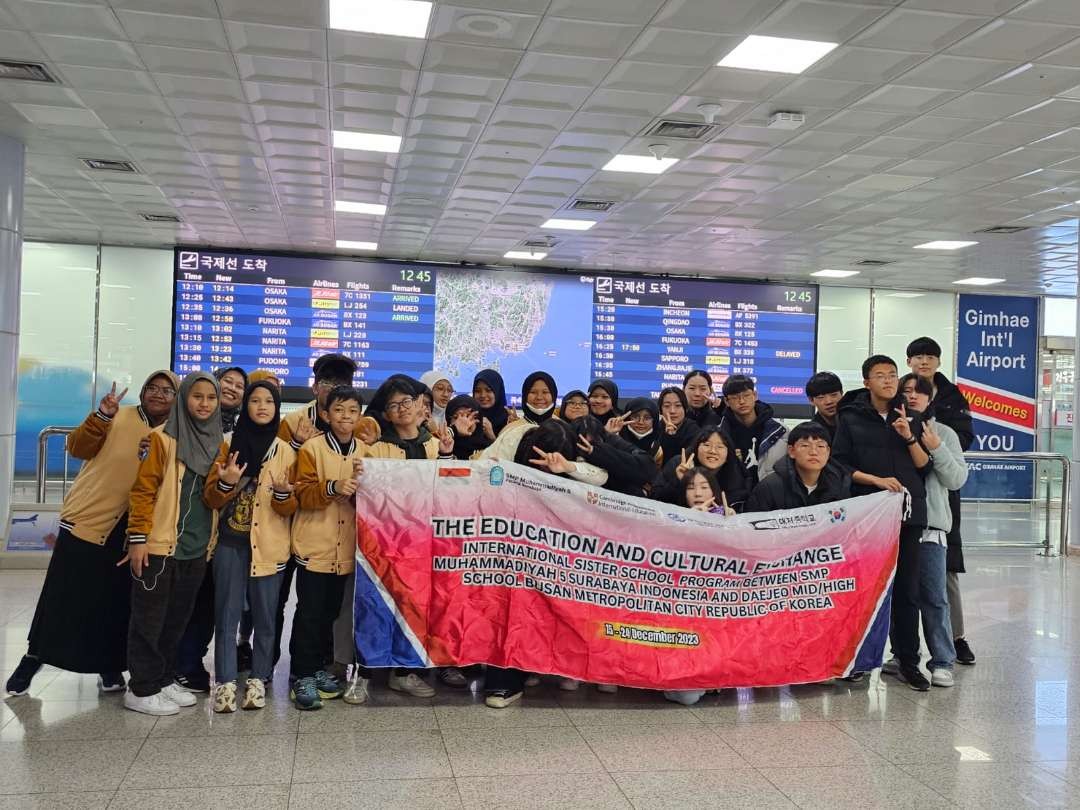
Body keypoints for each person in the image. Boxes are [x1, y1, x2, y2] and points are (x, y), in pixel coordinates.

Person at [5, 371, 178, 697]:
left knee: (113, 602)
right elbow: (77, 447)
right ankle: (33, 658)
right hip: (89, 521)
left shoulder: (173, 433)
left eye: (167, 391)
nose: (158, 394)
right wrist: (101, 415)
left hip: (132, 532)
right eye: (152, 388)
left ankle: (108, 664)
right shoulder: (118, 416)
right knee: (62, 599)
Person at [481, 420, 604, 708]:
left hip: (551, 546)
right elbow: (484, 475)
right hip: (508, 539)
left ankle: (535, 666)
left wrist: (567, 467)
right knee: (508, 605)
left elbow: (600, 476)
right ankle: (504, 682)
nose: (544, 469)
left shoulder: (573, 451)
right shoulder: (513, 438)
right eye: (540, 463)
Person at [122, 371, 223, 716]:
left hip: (196, 548)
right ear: (184, 400)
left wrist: (227, 484)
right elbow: (143, 492)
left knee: (176, 619)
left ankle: (164, 680)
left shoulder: (217, 444)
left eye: (211, 397)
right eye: (197, 396)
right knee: (149, 621)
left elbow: (212, 498)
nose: (204, 404)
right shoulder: (161, 441)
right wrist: (138, 540)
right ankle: (141, 688)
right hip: (159, 546)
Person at [832, 355, 933, 692]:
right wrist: (875, 480)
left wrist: (908, 436)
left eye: (892, 375)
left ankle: (908, 661)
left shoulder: (912, 416)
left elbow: (923, 465)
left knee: (907, 590)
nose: (888, 381)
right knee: (866, 588)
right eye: (880, 376)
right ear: (866, 382)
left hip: (908, 512)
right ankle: (858, 660)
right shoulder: (850, 419)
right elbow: (840, 464)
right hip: (870, 513)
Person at [354, 377, 454, 699]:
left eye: (406, 403)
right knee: (377, 603)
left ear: (420, 405)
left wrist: (449, 456)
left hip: (425, 542)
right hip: (385, 540)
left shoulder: (436, 444)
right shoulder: (377, 446)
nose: (401, 410)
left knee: (417, 605)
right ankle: (367, 671)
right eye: (393, 406)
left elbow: (450, 490)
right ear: (386, 413)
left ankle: (406, 670)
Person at [203, 381, 298, 712]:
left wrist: (286, 494)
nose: (262, 406)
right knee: (226, 616)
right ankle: (226, 681)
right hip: (230, 544)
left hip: (270, 546)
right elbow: (211, 497)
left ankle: (259, 678)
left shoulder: (285, 451)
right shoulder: (228, 445)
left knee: (266, 616)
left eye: (269, 401)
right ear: (245, 407)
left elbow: (289, 509)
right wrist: (227, 480)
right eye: (254, 400)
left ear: (276, 408)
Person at [288, 385, 367, 711]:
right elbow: (301, 493)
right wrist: (333, 486)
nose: (345, 417)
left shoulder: (366, 451)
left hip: (345, 549)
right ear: (325, 414)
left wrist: (361, 489)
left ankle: (319, 669)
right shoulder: (312, 448)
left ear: (360, 416)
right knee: (309, 614)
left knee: (330, 615)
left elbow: (372, 499)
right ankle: (301, 676)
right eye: (339, 410)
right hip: (314, 546)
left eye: (352, 411)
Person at [906, 336, 977, 666]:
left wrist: (936, 443)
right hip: (902, 507)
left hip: (940, 497)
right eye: (918, 356)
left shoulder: (951, 398)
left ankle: (954, 640)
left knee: (944, 572)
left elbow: (963, 440)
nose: (924, 362)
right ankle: (903, 652)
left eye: (930, 356)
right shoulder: (897, 403)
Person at [899, 373, 969, 687]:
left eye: (919, 392)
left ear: (930, 398)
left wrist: (936, 447)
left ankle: (942, 660)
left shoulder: (945, 433)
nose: (913, 397)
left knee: (934, 595)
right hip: (895, 524)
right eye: (907, 391)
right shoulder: (892, 429)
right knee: (899, 596)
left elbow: (956, 480)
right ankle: (901, 655)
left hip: (931, 525)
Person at [745, 422, 851, 512]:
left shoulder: (839, 484)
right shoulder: (769, 487)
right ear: (791, 451)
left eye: (820, 446)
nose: (813, 452)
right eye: (805, 445)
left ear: (828, 452)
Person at [651, 427, 748, 512]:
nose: (713, 451)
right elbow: (655, 500)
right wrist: (679, 481)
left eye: (720, 447)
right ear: (696, 448)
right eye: (706, 445)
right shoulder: (679, 464)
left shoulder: (736, 474)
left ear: (728, 454)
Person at [717, 374, 786, 485]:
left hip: (769, 495)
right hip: (732, 495)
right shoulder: (718, 434)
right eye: (735, 397)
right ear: (726, 401)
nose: (742, 401)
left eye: (746, 395)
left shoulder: (780, 431)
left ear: (755, 395)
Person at [657, 387, 698, 466]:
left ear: (685, 408)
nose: (672, 411)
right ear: (660, 409)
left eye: (678, 405)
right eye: (667, 406)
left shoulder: (693, 430)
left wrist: (672, 438)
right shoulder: (655, 429)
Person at [616, 396, 663, 465]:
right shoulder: (615, 439)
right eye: (635, 416)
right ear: (628, 418)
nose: (641, 422)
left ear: (654, 421)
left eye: (647, 418)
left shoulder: (656, 448)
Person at [473, 369, 515, 445]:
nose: (483, 395)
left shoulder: (509, 421)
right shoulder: (468, 416)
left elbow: (509, 454)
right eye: (478, 391)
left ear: (498, 392)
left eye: (488, 390)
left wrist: (491, 436)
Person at [444, 395, 486, 460]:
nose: (464, 422)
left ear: (478, 420)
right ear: (448, 420)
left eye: (468, 416)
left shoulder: (488, 450)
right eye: (456, 417)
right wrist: (454, 429)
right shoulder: (442, 445)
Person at [805, 371, 844, 442]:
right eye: (821, 397)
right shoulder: (809, 434)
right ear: (811, 400)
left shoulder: (856, 424)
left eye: (834, 395)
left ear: (842, 394)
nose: (829, 402)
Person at [215, 366, 248, 433]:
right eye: (228, 381)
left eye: (239, 386)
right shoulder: (194, 418)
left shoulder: (247, 426)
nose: (232, 388)